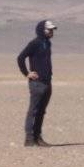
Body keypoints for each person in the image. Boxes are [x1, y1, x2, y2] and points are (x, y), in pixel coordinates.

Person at [17, 19, 57, 147]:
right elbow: (21, 57)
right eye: (49, 29)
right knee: (33, 110)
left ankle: (38, 137)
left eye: (52, 30)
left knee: (41, 111)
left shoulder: (47, 43)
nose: (52, 32)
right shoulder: (35, 43)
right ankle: (29, 139)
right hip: (37, 83)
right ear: (42, 30)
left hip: (47, 82)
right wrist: (27, 73)